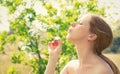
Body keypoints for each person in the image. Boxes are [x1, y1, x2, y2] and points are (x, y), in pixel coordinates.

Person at [44, 14, 120, 74]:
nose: (72, 23)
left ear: (91, 36)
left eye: (80, 23)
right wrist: (53, 57)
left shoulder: (102, 71)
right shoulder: (71, 67)